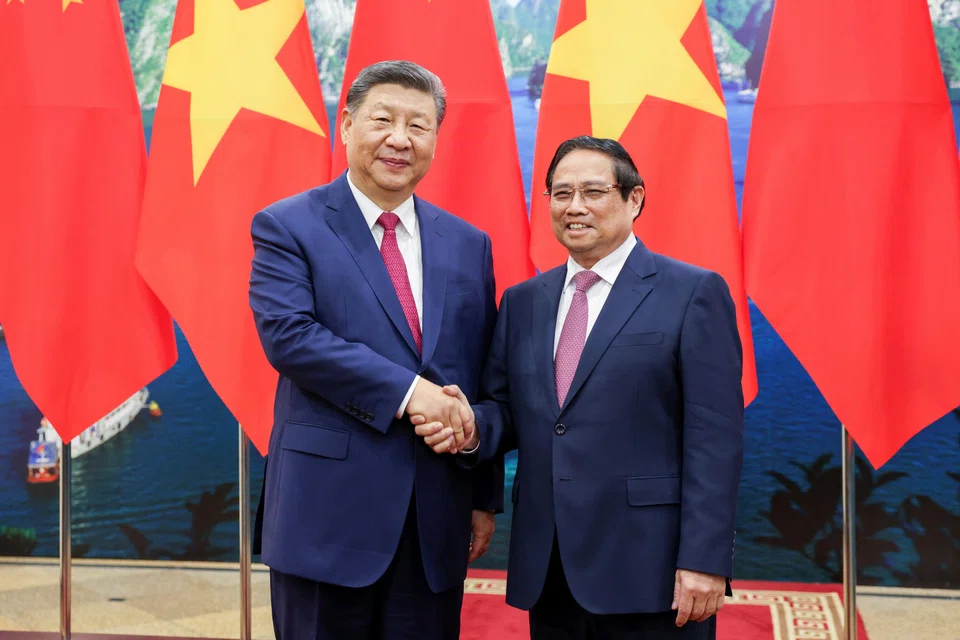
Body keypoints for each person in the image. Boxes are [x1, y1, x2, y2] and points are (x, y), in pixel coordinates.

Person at [414, 136, 744, 639]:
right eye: (561, 193)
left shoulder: (693, 292)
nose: (575, 207)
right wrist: (470, 428)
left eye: (593, 191)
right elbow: (506, 408)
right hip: (549, 565)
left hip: (650, 565)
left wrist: (705, 558)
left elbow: (714, 438)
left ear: (634, 199)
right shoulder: (524, 300)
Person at [248, 60, 503, 640]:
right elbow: (290, 336)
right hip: (326, 520)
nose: (399, 138)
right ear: (346, 125)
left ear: (436, 138)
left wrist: (483, 493)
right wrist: (413, 394)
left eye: (419, 125)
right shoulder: (289, 225)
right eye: (383, 119)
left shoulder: (468, 243)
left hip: (436, 518)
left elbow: (483, 372)